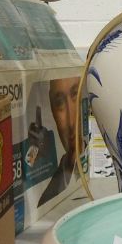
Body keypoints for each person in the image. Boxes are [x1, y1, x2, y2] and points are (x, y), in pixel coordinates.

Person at [38, 75, 81, 207]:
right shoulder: (47, 199)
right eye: (60, 103)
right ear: (52, 110)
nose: (71, 122)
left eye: (75, 94)